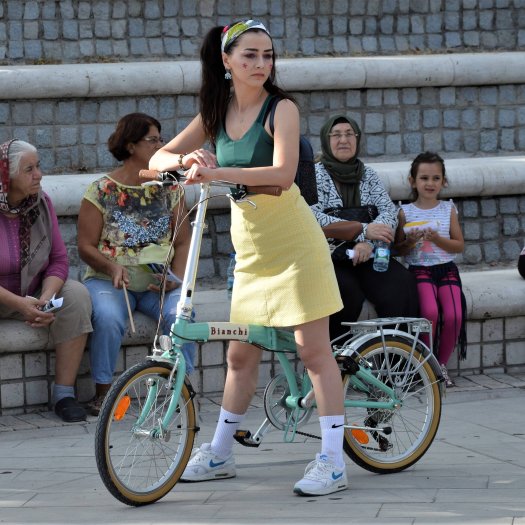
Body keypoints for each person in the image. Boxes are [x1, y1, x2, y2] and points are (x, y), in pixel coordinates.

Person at [149, 20, 347, 497]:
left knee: (314, 352)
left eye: (268, 55)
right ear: (226, 60)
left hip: (295, 241)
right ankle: (219, 453)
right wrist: (188, 161)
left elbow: (282, 172)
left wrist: (218, 169)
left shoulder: (283, 108)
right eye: (250, 55)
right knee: (240, 354)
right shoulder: (214, 111)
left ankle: (333, 463)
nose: (261, 64)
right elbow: (156, 159)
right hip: (252, 247)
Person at [77, 113, 195, 416]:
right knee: (108, 318)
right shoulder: (102, 190)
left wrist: (176, 278)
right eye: (153, 140)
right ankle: (104, 392)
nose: (161, 144)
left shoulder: (170, 188)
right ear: (130, 146)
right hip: (110, 279)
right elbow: (85, 246)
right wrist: (112, 268)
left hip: (159, 282)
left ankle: (182, 389)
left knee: (180, 315)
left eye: (160, 138)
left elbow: (183, 241)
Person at [0, 140, 92, 422]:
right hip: (5, 297)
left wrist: (46, 299)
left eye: (38, 166)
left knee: (76, 294)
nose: (38, 174)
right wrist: (19, 304)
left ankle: (64, 394)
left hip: (33, 293)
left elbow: (59, 260)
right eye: (29, 169)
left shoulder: (42, 203)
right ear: (7, 176)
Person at [311, 115, 420, 341]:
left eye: (350, 134)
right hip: (330, 256)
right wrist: (362, 230)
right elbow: (312, 217)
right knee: (345, 293)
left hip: (368, 253)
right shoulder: (313, 175)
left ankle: (394, 363)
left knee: (401, 284)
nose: (344, 140)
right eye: (337, 134)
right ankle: (337, 367)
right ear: (326, 140)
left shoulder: (368, 174)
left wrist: (367, 242)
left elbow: (388, 211)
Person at [394, 152, 466, 388]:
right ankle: (426, 365)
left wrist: (436, 239)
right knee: (429, 312)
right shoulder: (405, 211)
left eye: (436, 178)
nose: (430, 183)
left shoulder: (448, 209)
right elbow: (401, 250)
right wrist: (411, 241)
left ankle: (440, 365)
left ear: (443, 181)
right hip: (419, 270)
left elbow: (459, 245)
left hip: (446, 269)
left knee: (455, 314)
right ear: (412, 181)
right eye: (424, 178)